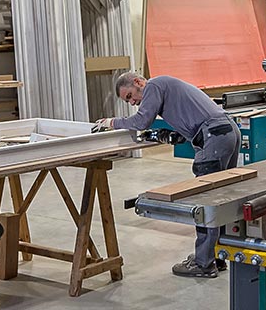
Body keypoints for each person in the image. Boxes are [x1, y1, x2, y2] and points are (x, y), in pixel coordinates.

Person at [98, 70, 236, 279]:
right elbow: (189, 119)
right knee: (220, 200)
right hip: (226, 131)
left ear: (138, 82)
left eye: (130, 96)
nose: (133, 102)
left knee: (206, 202)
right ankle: (216, 256)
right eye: (128, 101)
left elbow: (141, 121)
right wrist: (172, 134)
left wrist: (112, 123)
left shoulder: (154, 85)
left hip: (214, 136)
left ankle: (203, 264)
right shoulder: (166, 88)